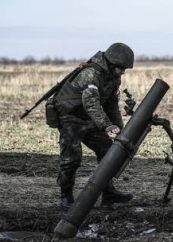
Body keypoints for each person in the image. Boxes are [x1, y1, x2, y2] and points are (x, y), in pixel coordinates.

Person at [54, 43, 134, 210]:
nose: (122, 72)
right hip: (70, 117)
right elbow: (91, 103)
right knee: (71, 159)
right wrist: (106, 125)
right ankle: (65, 197)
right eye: (120, 68)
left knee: (108, 152)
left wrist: (118, 128)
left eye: (124, 69)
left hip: (90, 118)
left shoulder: (112, 78)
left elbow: (111, 104)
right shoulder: (91, 74)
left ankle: (109, 194)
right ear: (112, 64)